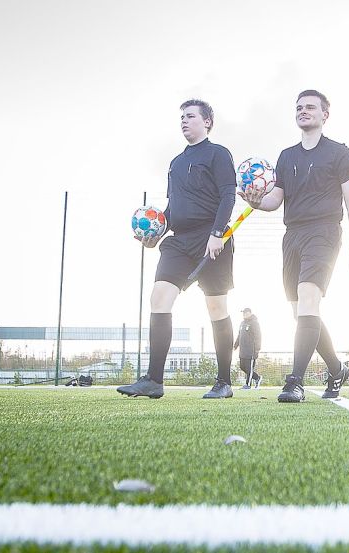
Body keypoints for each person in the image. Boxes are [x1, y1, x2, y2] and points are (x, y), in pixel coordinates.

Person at [242, 90, 349, 403]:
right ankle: (337, 369)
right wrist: (255, 201)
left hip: (324, 233)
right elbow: (274, 200)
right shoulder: (286, 156)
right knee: (301, 312)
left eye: (310, 107)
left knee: (309, 299)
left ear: (325, 115)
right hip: (292, 235)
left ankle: (294, 381)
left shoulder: (340, 153)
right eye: (299, 107)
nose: (303, 111)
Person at [117, 99, 237, 400]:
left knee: (216, 307)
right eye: (182, 117)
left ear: (207, 122)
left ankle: (224, 382)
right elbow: (174, 206)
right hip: (179, 242)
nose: (184, 121)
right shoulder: (176, 162)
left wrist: (217, 233)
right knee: (159, 297)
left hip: (212, 239)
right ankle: (153, 380)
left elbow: (227, 196)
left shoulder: (218, 154)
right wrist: (157, 233)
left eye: (191, 116)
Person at [233, 308, 262, 389]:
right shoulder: (242, 323)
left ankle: (248, 385)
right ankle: (257, 378)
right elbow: (239, 335)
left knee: (249, 368)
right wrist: (235, 345)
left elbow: (258, 336)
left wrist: (257, 349)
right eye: (243, 313)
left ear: (250, 313)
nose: (244, 314)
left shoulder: (254, 323)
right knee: (242, 367)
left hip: (251, 350)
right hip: (242, 350)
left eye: (246, 312)